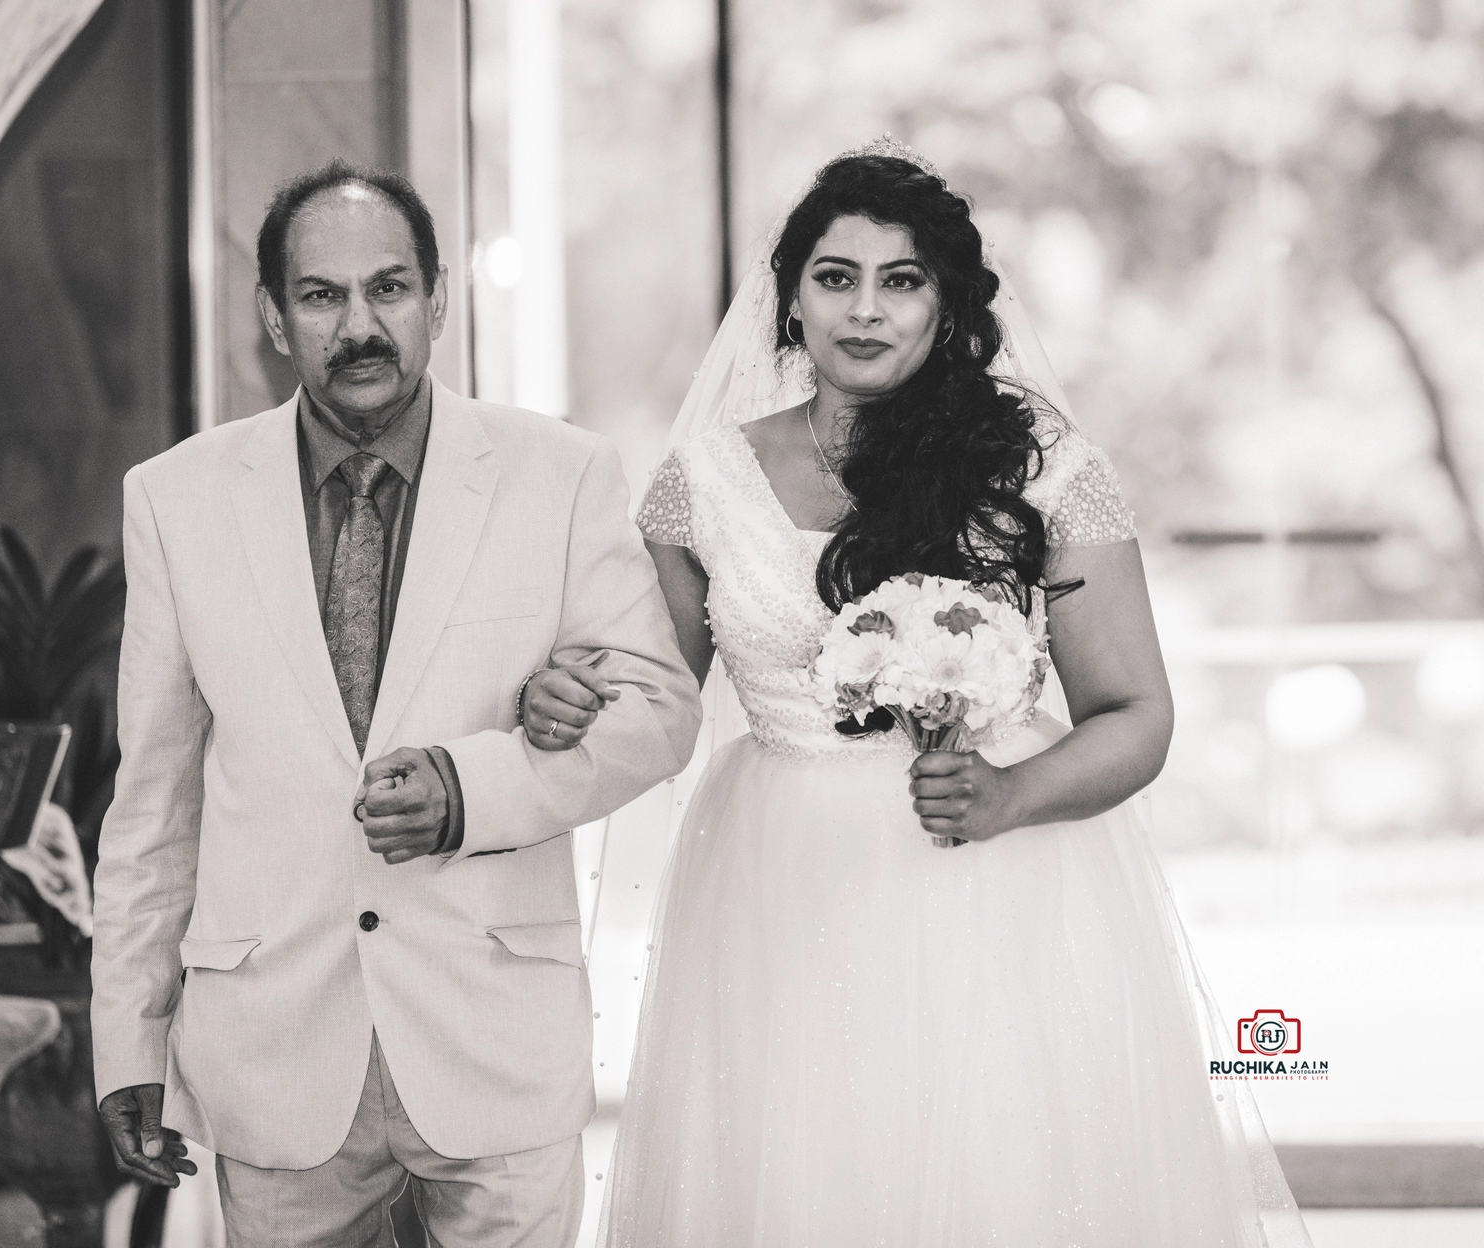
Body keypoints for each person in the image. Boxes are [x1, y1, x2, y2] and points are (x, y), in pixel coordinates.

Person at [521, 142, 1315, 1246]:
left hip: (1003, 884)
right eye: (834, 277)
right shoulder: (702, 481)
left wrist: (1007, 793)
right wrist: (566, 694)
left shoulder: (1037, 465)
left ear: (946, 304)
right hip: (780, 888)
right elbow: (652, 705)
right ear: (788, 302)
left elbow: (1137, 714)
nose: (866, 309)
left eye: (902, 280)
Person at [90, 160, 701, 1248]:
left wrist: (473, 791)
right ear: (274, 318)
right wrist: (129, 1041)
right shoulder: (174, 498)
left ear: (438, 301)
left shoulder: (558, 474)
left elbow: (656, 708)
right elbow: (155, 798)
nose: (359, 323)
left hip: (491, 1036)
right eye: (321, 296)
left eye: (389, 288)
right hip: (275, 1053)